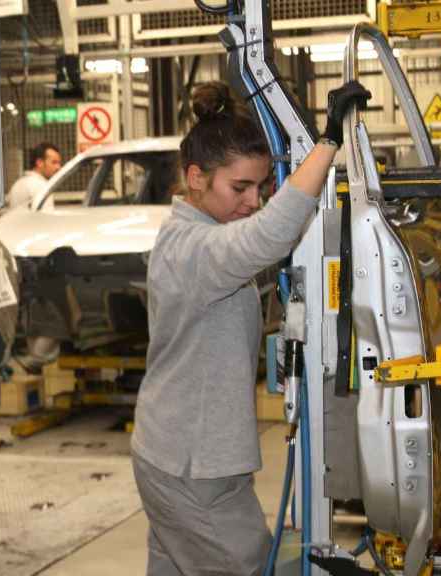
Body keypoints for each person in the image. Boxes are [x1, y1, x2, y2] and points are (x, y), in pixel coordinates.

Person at [130, 79, 371, 576]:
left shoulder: (202, 237)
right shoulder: (191, 249)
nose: (253, 200)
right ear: (195, 178)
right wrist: (327, 142)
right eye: (239, 187)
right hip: (192, 468)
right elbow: (264, 238)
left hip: (180, 455)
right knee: (244, 566)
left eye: (261, 188)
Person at [7, 141, 62, 209]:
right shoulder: (41, 186)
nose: (58, 167)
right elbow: (47, 218)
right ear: (39, 163)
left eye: (59, 163)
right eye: (54, 162)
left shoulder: (18, 184)